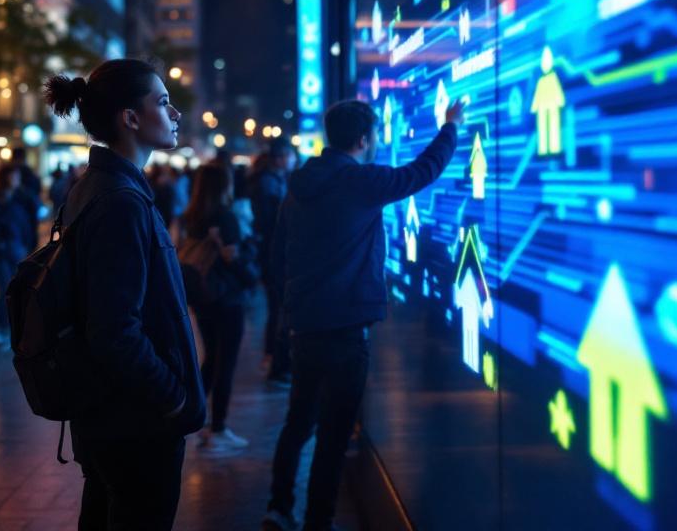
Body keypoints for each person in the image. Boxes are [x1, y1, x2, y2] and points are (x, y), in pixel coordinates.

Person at [263, 98, 465, 531]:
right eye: (374, 136)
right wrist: (450, 127)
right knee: (334, 436)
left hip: (305, 326)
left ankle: (278, 508)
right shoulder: (358, 181)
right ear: (362, 139)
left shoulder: (298, 186)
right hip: (347, 329)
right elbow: (421, 172)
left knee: (298, 422)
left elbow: (277, 255)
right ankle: (318, 522)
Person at [43, 59, 205, 531]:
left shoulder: (96, 187)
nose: (175, 114)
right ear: (130, 119)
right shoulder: (121, 201)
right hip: (137, 421)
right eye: (163, 102)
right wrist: (172, 397)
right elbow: (114, 330)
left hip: (106, 414)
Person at [181, 162, 258, 455]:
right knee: (225, 363)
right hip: (228, 298)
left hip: (202, 297)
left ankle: (193, 418)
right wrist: (251, 276)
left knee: (211, 358)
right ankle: (219, 428)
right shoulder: (225, 218)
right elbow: (235, 262)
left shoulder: (192, 217)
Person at [248, 140, 298, 387]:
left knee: (277, 309)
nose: (293, 160)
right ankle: (277, 365)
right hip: (272, 255)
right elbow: (272, 223)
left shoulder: (270, 180)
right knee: (278, 309)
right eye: (290, 155)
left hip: (270, 254)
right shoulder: (268, 183)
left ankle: (275, 360)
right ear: (280, 157)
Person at [0, 163, 35, 347]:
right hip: (4, 250)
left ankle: (12, 329)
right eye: (13, 176)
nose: (15, 180)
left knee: (17, 289)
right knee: (7, 288)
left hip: (19, 248)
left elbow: (29, 224)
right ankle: (2, 328)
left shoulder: (23, 197)